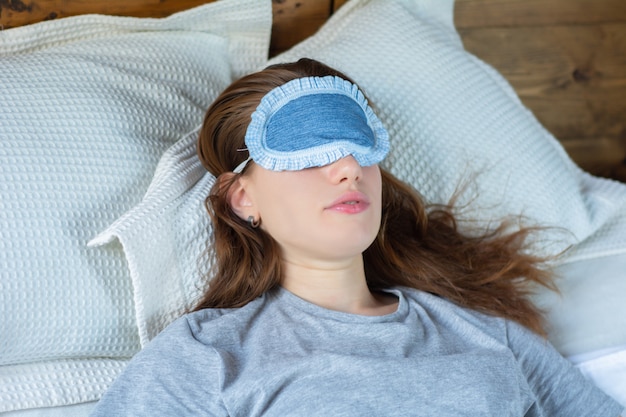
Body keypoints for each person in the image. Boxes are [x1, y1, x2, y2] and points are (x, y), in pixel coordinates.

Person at [90, 58, 623, 416]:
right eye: (311, 152)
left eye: (357, 148)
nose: (348, 168)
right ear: (242, 199)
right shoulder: (206, 356)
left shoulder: (488, 337)